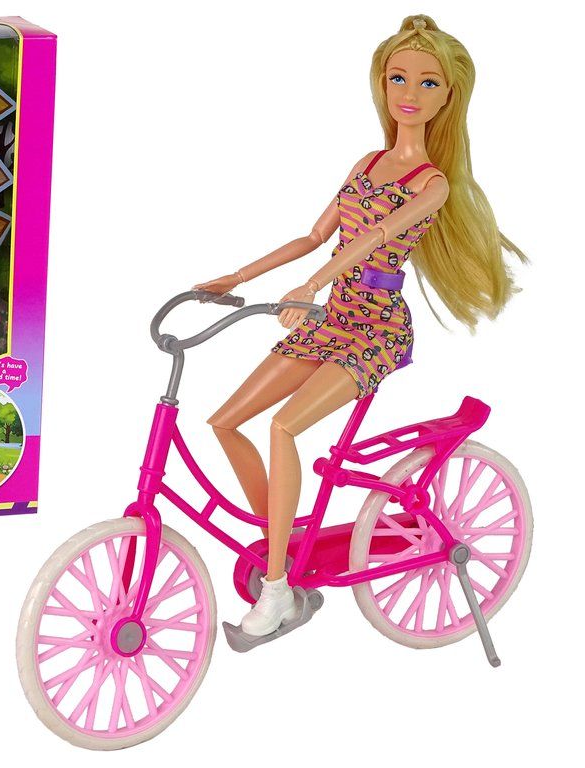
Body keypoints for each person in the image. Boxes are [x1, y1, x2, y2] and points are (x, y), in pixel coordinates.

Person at [195, 15, 525, 637]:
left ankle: (277, 589)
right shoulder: (368, 162)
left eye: (428, 83)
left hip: (374, 327)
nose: (410, 93)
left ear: (449, 97)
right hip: (330, 316)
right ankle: (283, 543)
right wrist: (236, 276)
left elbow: (371, 239)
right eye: (398, 78)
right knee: (225, 420)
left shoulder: (432, 184)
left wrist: (310, 286)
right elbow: (314, 235)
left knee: (284, 427)